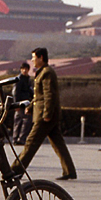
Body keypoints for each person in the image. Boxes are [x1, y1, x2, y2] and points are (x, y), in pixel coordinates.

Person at [11, 48, 77, 180]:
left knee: (31, 142)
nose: (32, 60)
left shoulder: (47, 72)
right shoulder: (43, 72)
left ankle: (15, 170)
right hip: (45, 113)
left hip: (44, 115)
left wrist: (47, 114)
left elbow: (49, 95)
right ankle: (69, 171)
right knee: (58, 144)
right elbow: (39, 96)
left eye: (34, 57)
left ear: (41, 58)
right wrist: (31, 106)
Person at [11, 62, 34, 145]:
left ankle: (16, 139)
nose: (24, 70)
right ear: (21, 70)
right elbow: (15, 92)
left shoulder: (27, 79)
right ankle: (21, 138)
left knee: (18, 121)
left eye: (26, 69)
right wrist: (16, 104)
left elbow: (30, 90)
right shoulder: (19, 79)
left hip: (26, 102)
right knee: (26, 119)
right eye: (23, 69)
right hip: (21, 103)